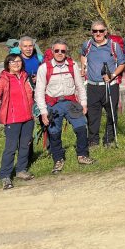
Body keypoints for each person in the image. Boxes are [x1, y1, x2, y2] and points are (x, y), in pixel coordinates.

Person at [35, 39, 94, 174]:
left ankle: (82, 155)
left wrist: (83, 103)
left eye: (63, 51)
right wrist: (44, 112)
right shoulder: (44, 68)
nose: (60, 53)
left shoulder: (72, 65)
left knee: (81, 128)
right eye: (57, 50)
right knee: (54, 133)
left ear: (66, 52)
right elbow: (39, 92)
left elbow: (79, 86)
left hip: (71, 102)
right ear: (52, 51)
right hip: (53, 104)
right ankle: (58, 159)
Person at [0, 54, 35, 190]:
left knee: (25, 146)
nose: (16, 64)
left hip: (28, 118)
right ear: (7, 64)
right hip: (12, 120)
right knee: (10, 148)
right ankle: (5, 175)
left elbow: (34, 95)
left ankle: (21, 170)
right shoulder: (2, 81)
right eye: (12, 62)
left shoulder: (26, 77)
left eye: (18, 61)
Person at [80, 20, 125, 148]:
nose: (98, 33)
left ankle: (109, 139)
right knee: (93, 115)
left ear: (106, 32)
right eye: (95, 31)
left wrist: (112, 75)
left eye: (101, 31)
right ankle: (93, 141)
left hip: (110, 85)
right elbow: (83, 55)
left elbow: (122, 64)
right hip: (92, 85)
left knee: (111, 113)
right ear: (91, 32)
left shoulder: (114, 46)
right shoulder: (87, 45)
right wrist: (83, 67)